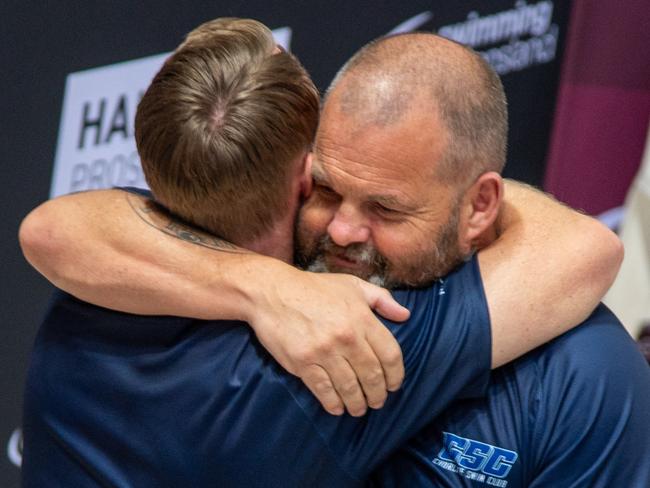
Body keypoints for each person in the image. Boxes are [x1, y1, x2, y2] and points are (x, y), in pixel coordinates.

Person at [19, 20, 647, 487]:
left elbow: (53, 229)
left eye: (386, 207)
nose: (343, 230)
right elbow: (581, 245)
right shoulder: (329, 356)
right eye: (327, 190)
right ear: (300, 173)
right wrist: (267, 285)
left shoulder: (103, 288)